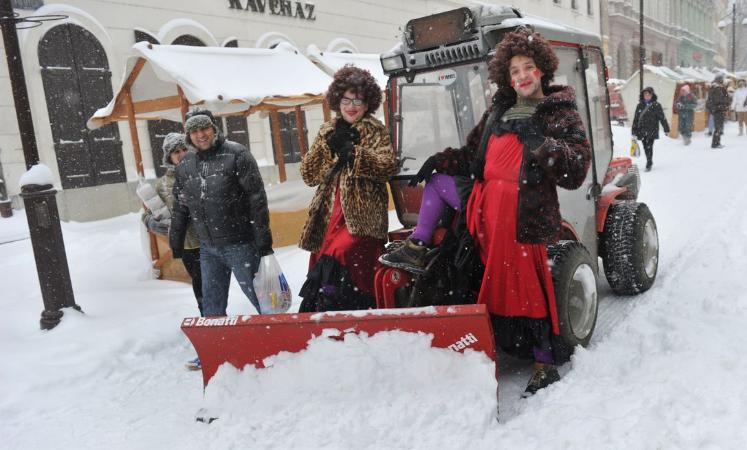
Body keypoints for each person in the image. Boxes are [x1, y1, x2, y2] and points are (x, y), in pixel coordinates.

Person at [394, 30, 591, 397]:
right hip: (486, 203)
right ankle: (418, 247)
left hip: (522, 215)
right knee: (439, 182)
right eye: (514, 71)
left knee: (526, 289)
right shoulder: (499, 110)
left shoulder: (559, 112)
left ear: (542, 70)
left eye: (529, 67)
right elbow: (473, 156)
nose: (522, 76)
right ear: (507, 77)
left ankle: (544, 365)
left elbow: (576, 170)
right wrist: (444, 159)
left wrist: (541, 144)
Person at [297, 66, 397, 313]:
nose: (351, 106)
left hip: (363, 217)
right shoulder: (327, 130)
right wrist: (328, 150)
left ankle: (346, 310)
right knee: (323, 259)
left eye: (358, 100)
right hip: (329, 214)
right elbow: (309, 175)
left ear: (367, 103)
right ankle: (325, 314)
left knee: (343, 255)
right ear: (337, 101)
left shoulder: (375, 130)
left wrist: (355, 154)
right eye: (346, 100)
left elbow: (387, 167)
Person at [170, 108, 273, 319]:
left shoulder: (237, 154)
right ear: (188, 136)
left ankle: (282, 343)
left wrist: (263, 242)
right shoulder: (185, 166)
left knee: (262, 299)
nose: (200, 135)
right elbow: (180, 207)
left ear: (213, 128)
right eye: (194, 131)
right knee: (212, 307)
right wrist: (176, 241)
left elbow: (257, 200)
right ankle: (217, 351)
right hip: (208, 249)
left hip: (241, 245)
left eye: (204, 127)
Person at [140, 133, 204, 370]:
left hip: (211, 242)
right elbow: (147, 212)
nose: (182, 154)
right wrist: (150, 222)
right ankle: (211, 344)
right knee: (203, 294)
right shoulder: (162, 185)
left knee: (213, 293)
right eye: (176, 152)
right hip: (187, 247)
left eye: (184, 149)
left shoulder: (203, 171)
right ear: (170, 157)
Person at [631, 87, 670, 171]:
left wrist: (666, 129)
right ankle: (649, 160)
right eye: (645, 94)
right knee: (645, 146)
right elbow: (636, 119)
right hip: (642, 130)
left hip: (652, 129)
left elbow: (662, 118)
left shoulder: (656, 105)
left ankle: (649, 162)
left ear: (652, 95)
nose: (647, 96)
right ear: (643, 95)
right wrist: (634, 131)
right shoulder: (640, 105)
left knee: (649, 146)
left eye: (649, 94)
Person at [706, 74, 730, 148]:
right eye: (722, 80)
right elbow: (719, 99)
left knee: (718, 127)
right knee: (718, 127)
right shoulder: (717, 88)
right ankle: (715, 143)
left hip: (716, 109)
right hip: (718, 110)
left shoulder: (714, 87)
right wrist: (725, 101)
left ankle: (717, 142)